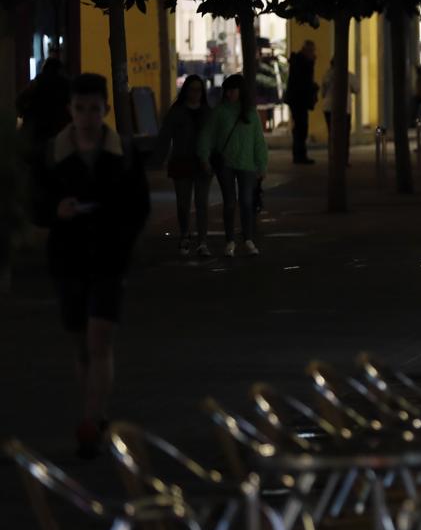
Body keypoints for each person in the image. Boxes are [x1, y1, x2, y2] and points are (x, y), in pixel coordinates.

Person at [28, 73, 150, 458]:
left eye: (94, 109)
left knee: (100, 336)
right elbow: (35, 202)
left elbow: (139, 205)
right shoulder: (52, 153)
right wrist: (55, 211)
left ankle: (92, 419)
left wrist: (123, 239)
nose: (86, 117)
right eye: (80, 109)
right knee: (81, 342)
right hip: (68, 258)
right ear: (70, 110)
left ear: (105, 109)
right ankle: (94, 410)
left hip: (109, 257)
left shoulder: (122, 152)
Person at [198, 74, 268, 258]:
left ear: (241, 91)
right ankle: (230, 240)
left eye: (233, 90)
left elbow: (258, 141)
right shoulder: (220, 112)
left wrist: (262, 164)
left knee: (246, 202)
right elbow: (207, 135)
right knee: (229, 203)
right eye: (227, 90)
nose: (229, 94)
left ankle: (248, 239)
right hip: (225, 164)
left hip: (247, 163)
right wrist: (204, 158)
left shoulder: (251, 113)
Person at [153, 75, 213, 257]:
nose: (195, 93)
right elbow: (165, 136)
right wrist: (158, 159)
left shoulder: (207, 112)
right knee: (183, 203)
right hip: (181, 161)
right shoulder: (177, 111)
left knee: (202, 204)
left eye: (199, 90)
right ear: (186, 90)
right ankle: (185, 235)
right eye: (192, 89)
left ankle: (202, 241)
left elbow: (214, 137)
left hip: (202, 162)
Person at [16, 56, 72, 162]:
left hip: (36, 133)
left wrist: (24, 114)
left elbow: (19, 101)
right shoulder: (67, 85)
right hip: (60, 132)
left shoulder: (37, 82)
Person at [321, 58, 360, 163]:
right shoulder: (348, 75)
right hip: (344, 109)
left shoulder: (327, 75)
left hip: (328, 108)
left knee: (332, 133)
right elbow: (357, 89)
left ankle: (332, 158)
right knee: (344, 135)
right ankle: (343, 159)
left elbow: (323, 92)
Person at [285, 40, 318, 165]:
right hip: (299, 100)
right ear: (306, 51)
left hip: (298, 100)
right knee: (301, 128)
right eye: (312, 51)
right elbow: (303, 82)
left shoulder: (299, 62)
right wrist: (311, 63)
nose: (314, 53)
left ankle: (299, 155)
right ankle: (300, 155)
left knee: (300, 128)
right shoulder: (302, 63)